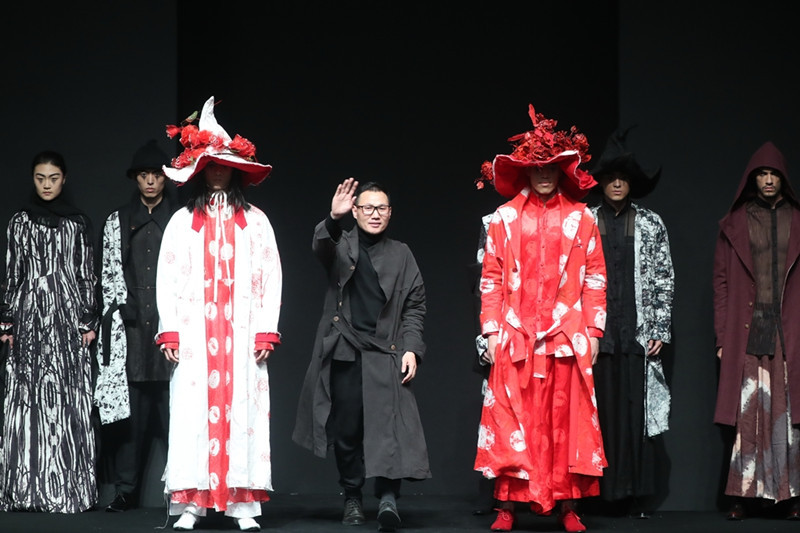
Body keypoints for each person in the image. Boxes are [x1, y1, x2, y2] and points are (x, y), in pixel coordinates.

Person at [473, 104, 607, 533]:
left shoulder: (582, 218)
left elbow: (596, 277)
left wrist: (594, 330)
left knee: (564, 421)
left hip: (566, 334)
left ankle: (568, 506)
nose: (545, 174)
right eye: (537, 168)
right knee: (514, 419)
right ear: (526, 171)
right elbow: (491, 279)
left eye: (551, 167)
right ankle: (507, 506)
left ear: (561, 170)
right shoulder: (504, 218)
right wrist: (491, 330)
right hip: (516, 332)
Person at [154, 96, 283, 532]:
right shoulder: (182, 222)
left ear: (235, 170)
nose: (217, 172)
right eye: (210, 166)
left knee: (243, 412)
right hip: (197, 335)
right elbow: (167, 277)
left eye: (224, 166)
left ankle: (242, 504)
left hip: (241, 334)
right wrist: (171, 330)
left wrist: (265, 329)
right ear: (200, 170)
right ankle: (192, 503)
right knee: (192, 412)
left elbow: (271, 275)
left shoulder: (256, 222)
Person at [292, 177, 430, 532]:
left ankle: (388, 497)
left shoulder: (401, 253)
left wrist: (412, 348)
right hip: (346, 350)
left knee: (388, 428)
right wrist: (333, 219)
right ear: (355, 211)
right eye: (367, 208)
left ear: (390, 213)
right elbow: (322, 246)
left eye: (381, 208)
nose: (375, 214)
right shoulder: (340, 244)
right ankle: (352, 496)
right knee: (348, 430)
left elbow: (415, 305)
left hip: (388, 352)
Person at [0, 150, 99, 512]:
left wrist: (88, 320)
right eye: (40, 178)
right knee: (26, 400)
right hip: (28, 319)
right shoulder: (19, 222)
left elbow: (86, 273)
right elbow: (12, 271)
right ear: (33, 179)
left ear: (64, 179)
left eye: (53, 178)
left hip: (67, 319)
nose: (46, 185)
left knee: (67, 398)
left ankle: (68, 491)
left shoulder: (78, 223)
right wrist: (6, 321)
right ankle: (25, 491)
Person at [588, 127, 673, 517]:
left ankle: (634, 493)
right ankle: (597, 494)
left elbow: (663, 278)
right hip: (598, 335)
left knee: (635, 413)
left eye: (623, 178)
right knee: (600, 412)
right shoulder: (586, 221)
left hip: (637, 332)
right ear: (602, 182)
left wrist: (659, 327)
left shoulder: (651, 223)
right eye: (611, 177)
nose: (617, 184)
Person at [713, 141, 800, 521]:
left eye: (773, 174)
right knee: (748, 412)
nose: (767, 180)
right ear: (752, 179)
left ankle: (791, 495)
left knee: (786, 413)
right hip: (746, 330)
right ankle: (742, 495)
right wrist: (722, 337)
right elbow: (721, 284)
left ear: (783, 180)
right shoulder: (736, 222)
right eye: (762, 174)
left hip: (789, 330)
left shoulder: (797, 220)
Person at [93, 139, 178, 512]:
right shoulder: (118, 220)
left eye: (156, 174)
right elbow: (106, 274)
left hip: (171, 330)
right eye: (144, 175)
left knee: (178, 415)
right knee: (131, 418)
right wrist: (119, 311)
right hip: (131, 332)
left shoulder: (180, 219)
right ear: (135, 178)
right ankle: (126, 490)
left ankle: (184, 490)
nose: (150, 181)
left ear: (165, 178)